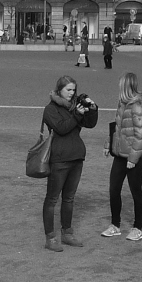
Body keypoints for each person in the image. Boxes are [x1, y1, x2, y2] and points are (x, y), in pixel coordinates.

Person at [40, 75, 98, 251]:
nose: (72, 93)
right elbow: (62, 128)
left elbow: (90, 124)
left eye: (74, 90)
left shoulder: (74, 107)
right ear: (59, 90)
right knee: (52, 199)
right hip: (59, 159)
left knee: (69, 198)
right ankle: (50, 238)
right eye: (68, 90)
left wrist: (92, 108)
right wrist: (76, 115)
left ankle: (67, 233)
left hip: (76, 157)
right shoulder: (50, 109)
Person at [101, 72, 142, 242]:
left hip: (134, 157)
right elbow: (117, 128)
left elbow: (141, 135)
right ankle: (115, 225)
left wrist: (133, 159)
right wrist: (108, 144)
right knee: (114, 189)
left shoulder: (137, 106)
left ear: (125, 86)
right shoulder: (122, 104)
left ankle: (137, 228)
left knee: (135, 191)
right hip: (120, 154)